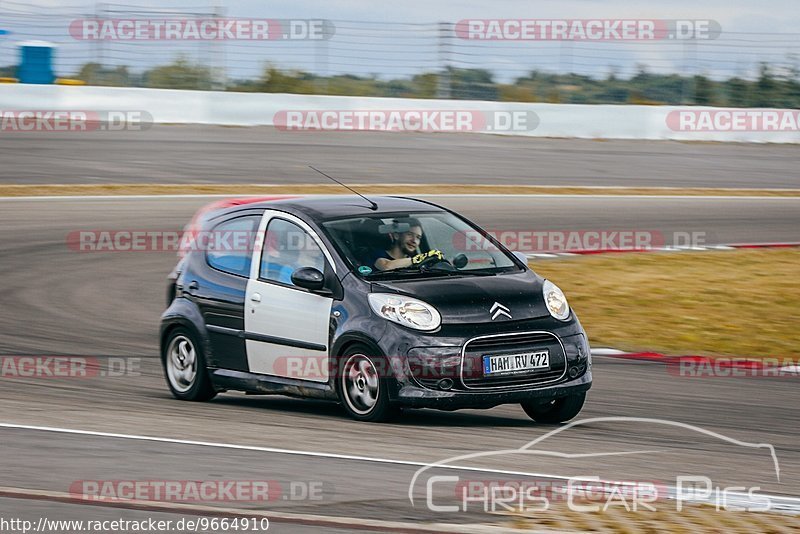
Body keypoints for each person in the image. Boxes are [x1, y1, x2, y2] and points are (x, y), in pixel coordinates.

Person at [371, 218, 444, 271]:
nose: (414, 241)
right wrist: (418, 259)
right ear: (396, 235)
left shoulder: (416, 260)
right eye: (410, 234)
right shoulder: (377, 254)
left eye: (418, 237)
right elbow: (386, 266)